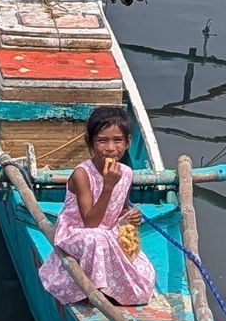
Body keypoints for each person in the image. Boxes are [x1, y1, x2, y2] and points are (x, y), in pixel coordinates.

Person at [37, 106, 156, 308]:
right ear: (91, 143)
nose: (110, 148)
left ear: (128, 142)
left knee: (143, 279)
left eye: (118, 140)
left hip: (106, 232)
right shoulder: (82, 175)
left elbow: (118, 210)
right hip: (78, 233)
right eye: (102, 140)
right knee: (97, 238)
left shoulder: (126, 173)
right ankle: (96, 292)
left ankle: (113, 290)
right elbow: (90, 222)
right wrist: (108, 186)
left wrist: (130, 215)